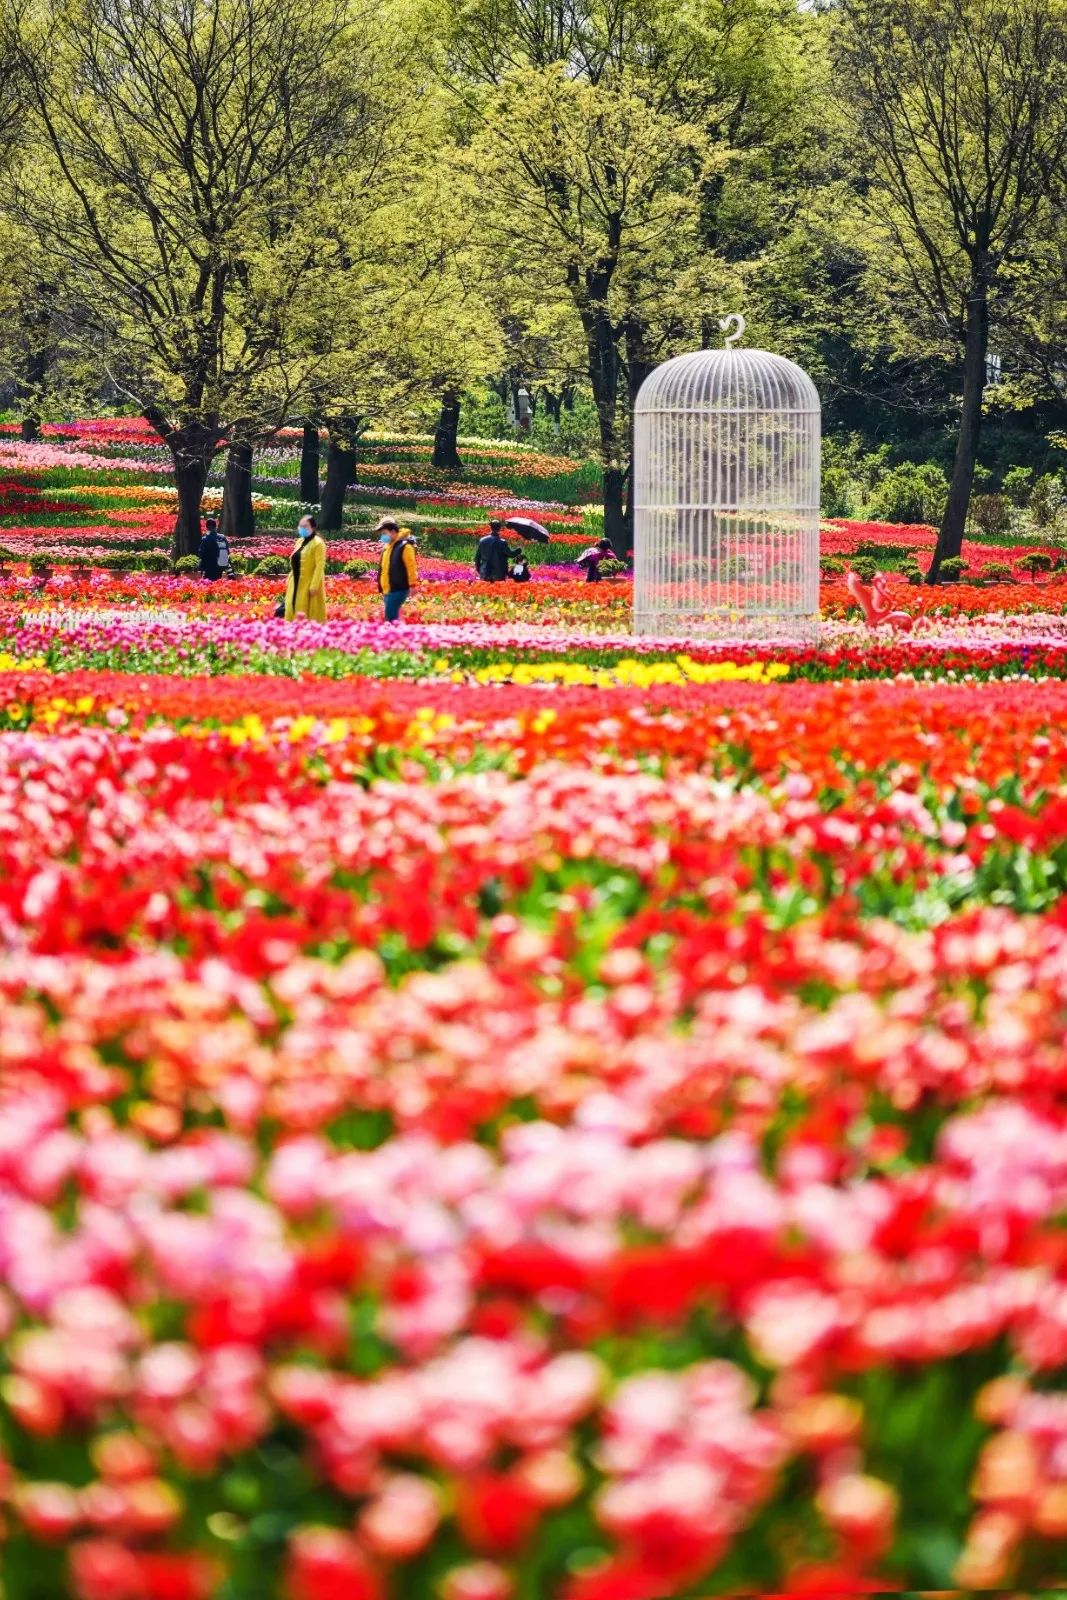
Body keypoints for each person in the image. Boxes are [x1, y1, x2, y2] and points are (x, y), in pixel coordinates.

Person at [284, 514, 327, 621]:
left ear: (313, 527)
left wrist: (314, 585)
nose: (302, 529)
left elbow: (319, 566)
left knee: (305, 611)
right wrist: (289, 578)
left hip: (308, 583)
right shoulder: (300, 541)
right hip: (295, 582)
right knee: (291, 607)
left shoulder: (318, 543)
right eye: (300, 526)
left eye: (305, 526)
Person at [378, 522, 417, 621]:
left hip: (398, 588)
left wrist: (412, 585)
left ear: (393, 532)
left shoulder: (404, 547)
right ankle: (400, 634)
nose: (383, 536)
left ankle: (400, 635)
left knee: (391, 617)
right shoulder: (388, 547)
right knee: (392, 617)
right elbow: (383, 568)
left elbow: (411, 567)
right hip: (388, 588)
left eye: (384, 533)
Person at [198, 516, 226, 580]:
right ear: (216, 527)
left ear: (206, 527)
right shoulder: (222, 537)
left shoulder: (205, 539)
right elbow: (227, 551)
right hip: (220, 565)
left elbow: (201, 553)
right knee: (218, 582)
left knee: (209, 583)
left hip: (209, 566)